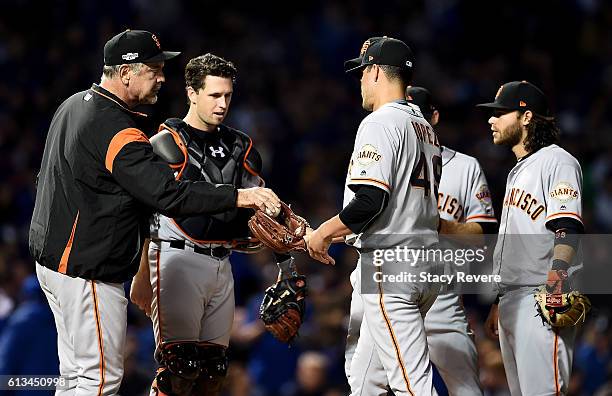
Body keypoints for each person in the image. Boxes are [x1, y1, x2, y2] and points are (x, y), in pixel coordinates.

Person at [29, 30, 280, 395]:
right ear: (126, 72)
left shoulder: (72, 104)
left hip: (54, 265)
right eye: (153, 68)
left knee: (74, 377)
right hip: (87, 271)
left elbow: (46, 178)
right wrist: (239, 197)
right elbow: (169, 195)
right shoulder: (118, 130)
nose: (162, 77)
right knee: (98, 380)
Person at [127, 53, 289, 396]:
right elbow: (146, 211)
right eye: (214, 95)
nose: (222, 103)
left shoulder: (240, 145)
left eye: (228, 95)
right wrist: (142, 272)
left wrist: (285, 257)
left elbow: (260, 212)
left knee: (212, 373)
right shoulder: (166, 142)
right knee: (179, 368)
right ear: (191, 92)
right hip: (175, 257)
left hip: (222, 262)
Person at [306, 36, 442, 395]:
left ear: (376, 71)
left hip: (392, 265)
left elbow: (371, 201)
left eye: (362, 72)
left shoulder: (380, 122)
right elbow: (393, 204)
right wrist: (336, 234)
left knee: (412, 385)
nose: (361, 82)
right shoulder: (425, 127)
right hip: (423, 260)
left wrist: (321, 232)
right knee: (366, 382)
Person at [343, 86, 498, 395]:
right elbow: (354, 222)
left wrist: (433, 223)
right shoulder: (379, 149)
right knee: (366, 382)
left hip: (440, 292)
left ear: (432, 118)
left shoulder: (463, 166)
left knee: (459, 388)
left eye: (416, 111)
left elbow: (485, 235)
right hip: (385, 276)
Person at [478, 81, 584, 395]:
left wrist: (558, 278)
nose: (491, 120)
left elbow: (567, 226)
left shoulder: (557, 161)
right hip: (513, 298)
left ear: (526, 117)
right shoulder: (518, 170)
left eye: (500, 113)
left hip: (540, 294)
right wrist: (500, 298)